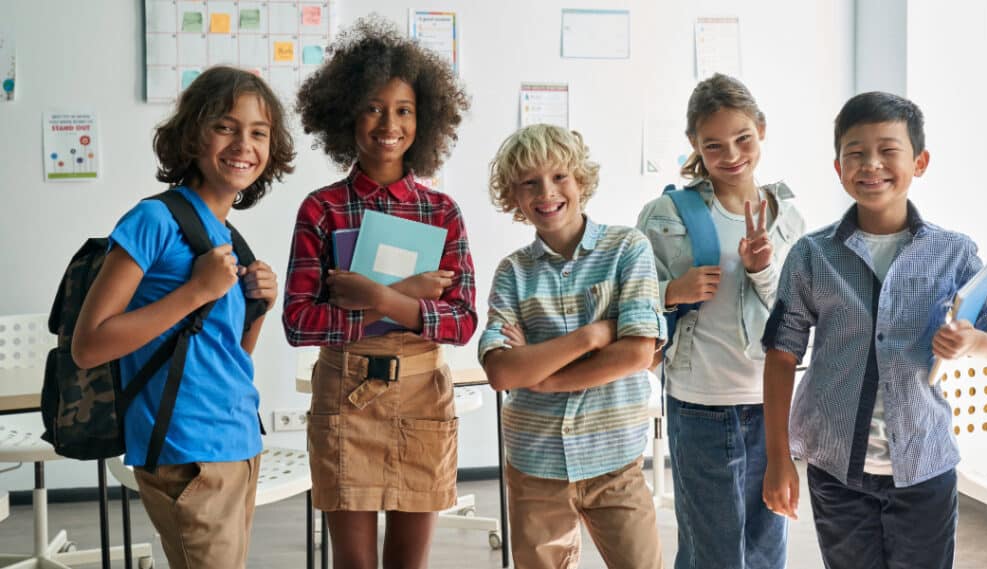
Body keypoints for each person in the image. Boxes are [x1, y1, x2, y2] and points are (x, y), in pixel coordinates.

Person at [761, 91, 987, 569]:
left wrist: (971, 341)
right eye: (855, 152)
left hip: (925, 465)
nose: (871, 164)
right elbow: (780, 355)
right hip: (836, 468)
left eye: (888, 150)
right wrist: (777, 458)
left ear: (919, 162)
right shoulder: (811, 256)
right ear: (838, 168)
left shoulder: (953, 251)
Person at [71, 65, 295, 569]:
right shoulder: (153, 220)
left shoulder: (228, 236)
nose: (244, 144)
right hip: (184, 451)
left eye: (258, 133)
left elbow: (224, 358)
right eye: (225, 126)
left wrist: (259, 308)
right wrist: (196, 291)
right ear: (193, 135)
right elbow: (89, 344)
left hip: (238, 441)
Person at [282, 16, 475, 569]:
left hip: (423, 400)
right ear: (347, 114)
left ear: (425, 119)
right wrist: (414, 299)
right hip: (346, 399)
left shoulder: (442, 212)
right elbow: (298, 322)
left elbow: (462, 321)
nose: (388, 123)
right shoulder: (321, 209)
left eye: (404, 110)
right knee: (355, 565)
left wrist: (380, 297)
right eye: (373, 107)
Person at [636, 73, 804, 569]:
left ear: (762, 130)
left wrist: (762, 269)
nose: (731, 154)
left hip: (769, 404)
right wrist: (673, 290)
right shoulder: (665, 214)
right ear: (694, 145)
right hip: (699, 404)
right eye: (714, 145)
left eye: (743, 139)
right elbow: (629, 301)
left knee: (767, 549)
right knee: (714, 553)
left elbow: (793, 316)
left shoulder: (787, 216)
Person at [479, 123, 665, 569]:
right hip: (534, 462)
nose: (547, 192)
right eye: (529, 182)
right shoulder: (512, 273)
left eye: (559, 176)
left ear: (580, 180)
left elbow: (638, 353)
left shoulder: (627, 249)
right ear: (515, 198)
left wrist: (542, 375)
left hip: (614, 460)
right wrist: (594, 336)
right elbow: (503, 373)